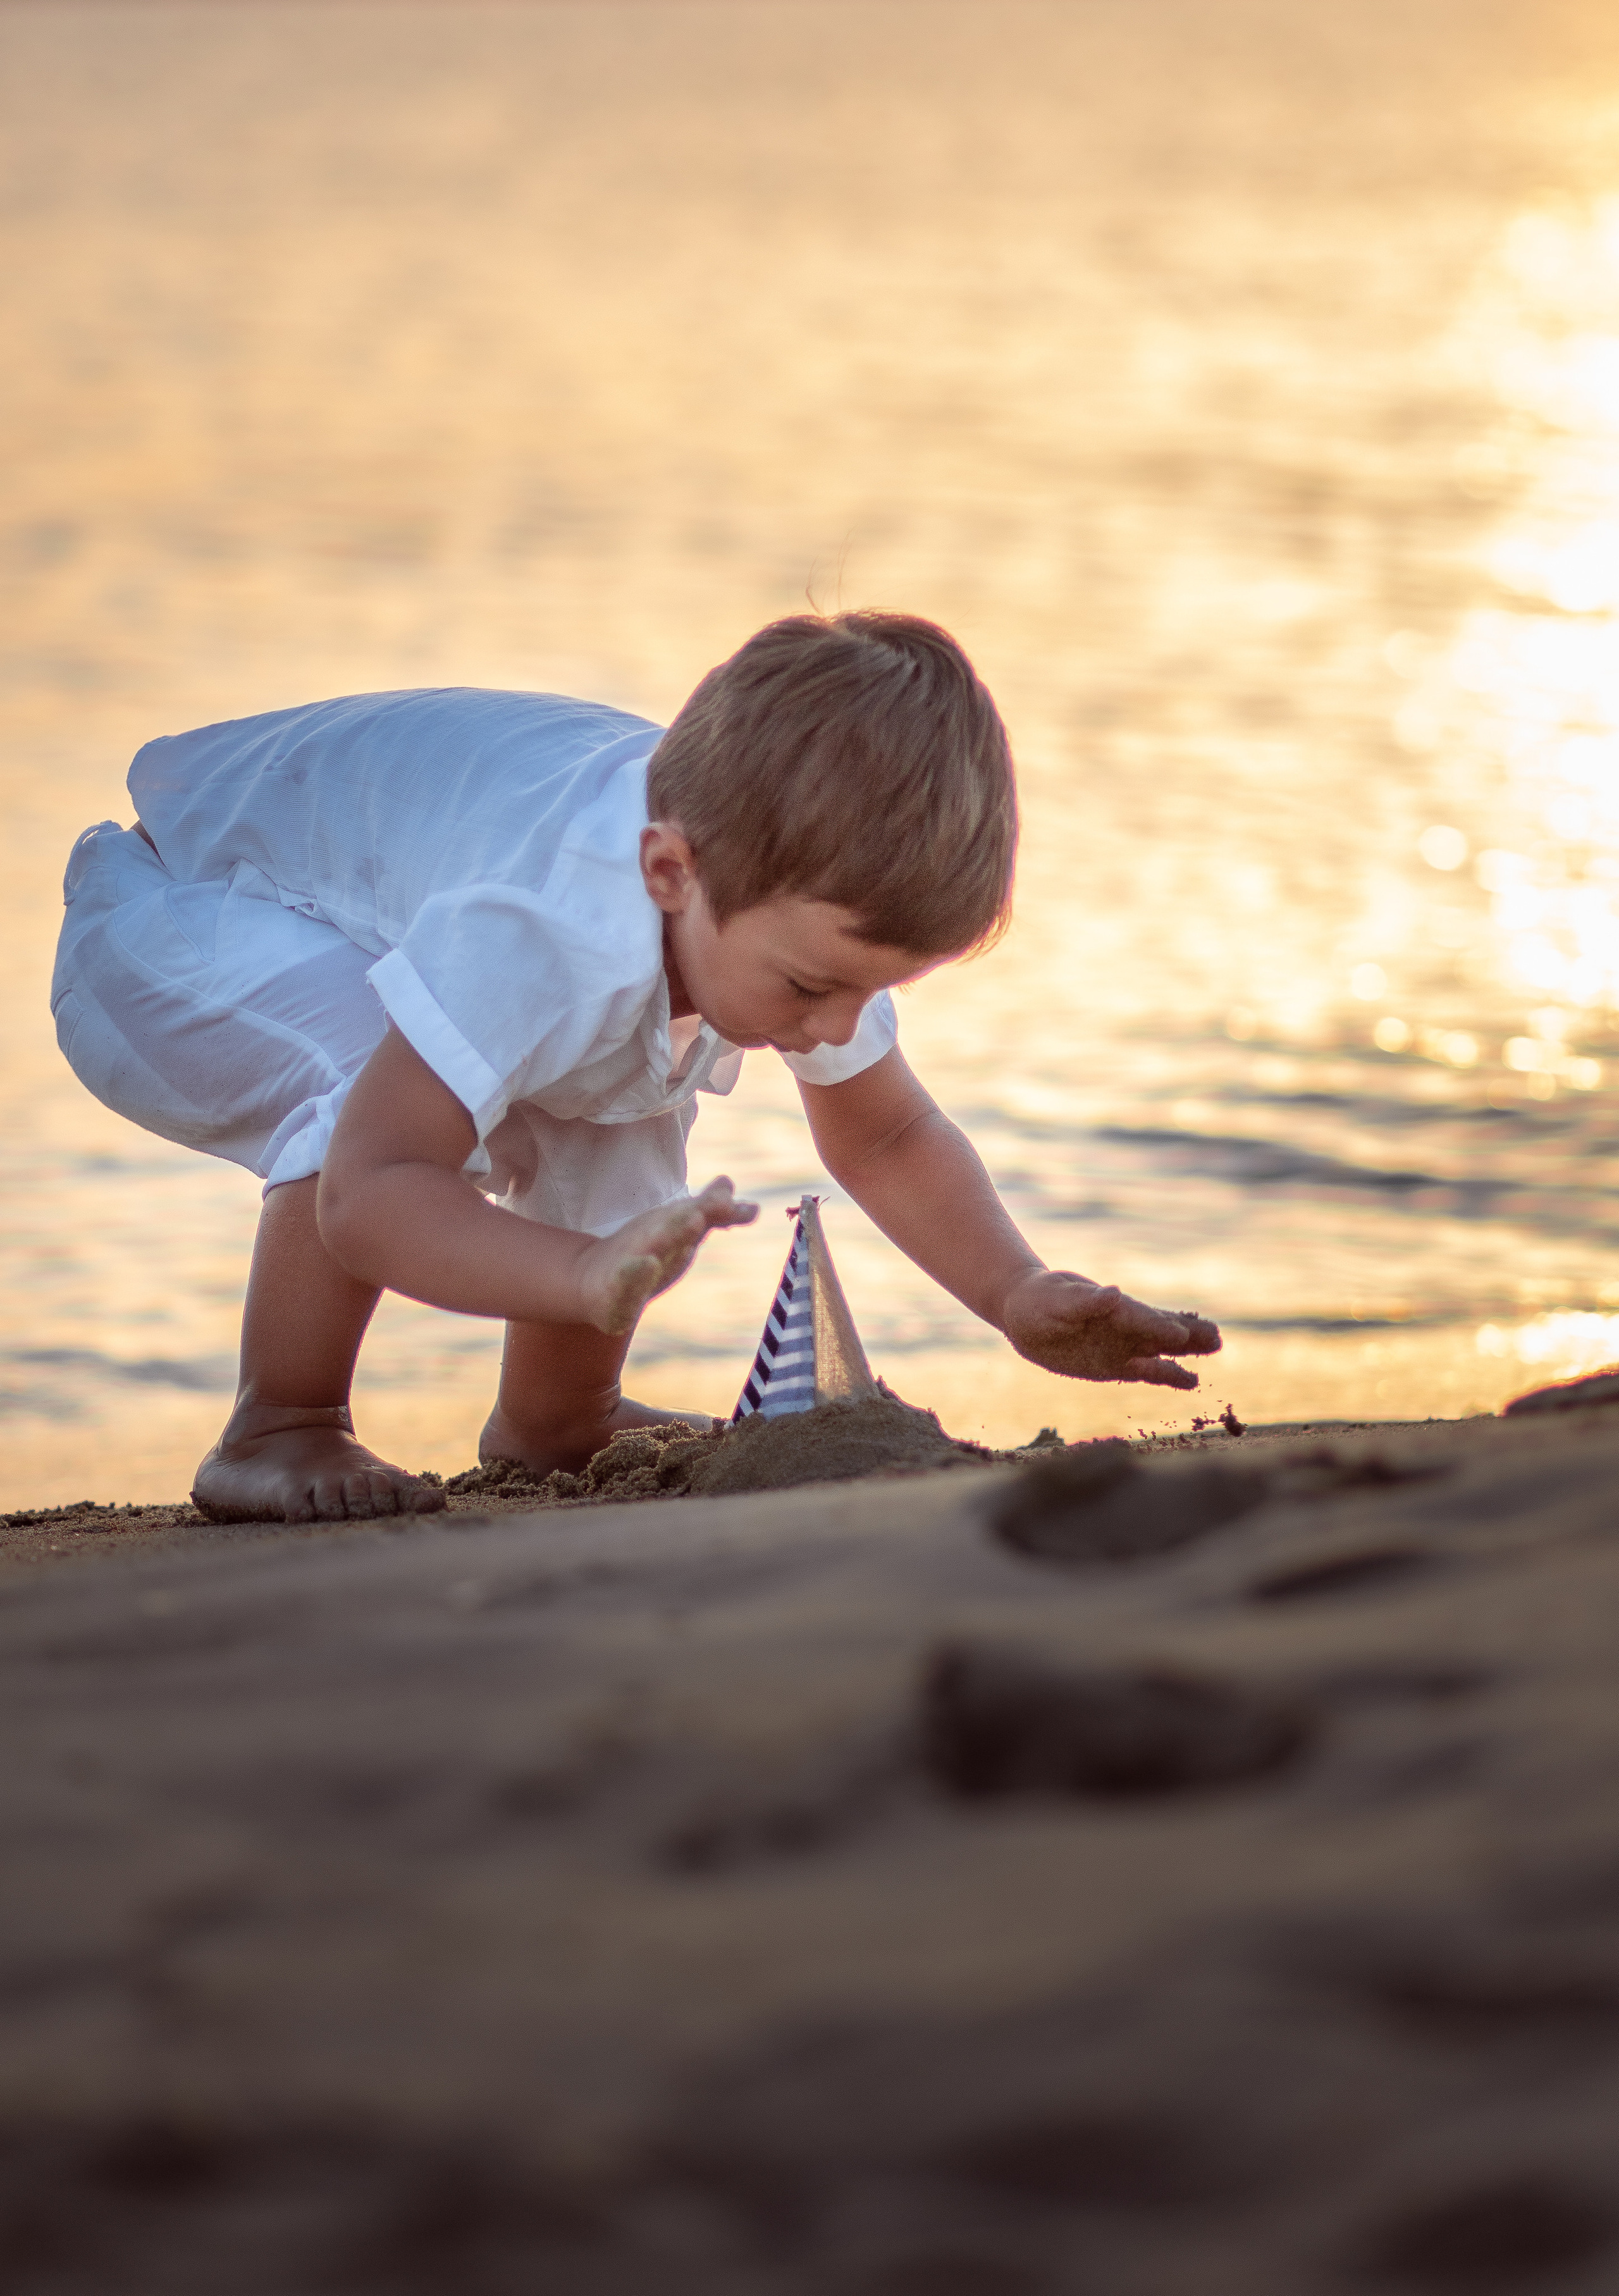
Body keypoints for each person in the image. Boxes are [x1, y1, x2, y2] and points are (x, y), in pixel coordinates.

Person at [51, 610, 1220, 1524]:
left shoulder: (771, 892)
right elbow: (372, 1186)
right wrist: (575, 1271)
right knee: (367, 1063)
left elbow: (888, 1133)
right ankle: (280, 1422)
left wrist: (1016, 1292)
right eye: (815, 989)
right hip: (180, 922)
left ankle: (558, 1421)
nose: (834, 1028)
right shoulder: (541, 925)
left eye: (876, 993)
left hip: (351, 915)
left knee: (626, 1086)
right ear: (669, 871)